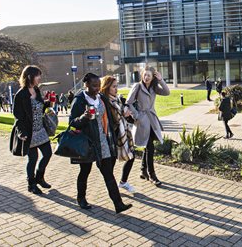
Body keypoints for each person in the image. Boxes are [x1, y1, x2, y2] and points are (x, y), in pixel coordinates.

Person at [69, 73, 132, 213]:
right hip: (88, 143)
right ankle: (81, 198)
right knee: (85, 171)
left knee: (108, 173)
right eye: (94, 85)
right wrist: (84, 117)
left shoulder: (101, 98)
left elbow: (110, 117)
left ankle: (118, 203)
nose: (97, 88)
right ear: (86, 85)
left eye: (98, 85)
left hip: (103, 142)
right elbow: (72, 123)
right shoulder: (79, 100)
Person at [127, 66, 170, 186]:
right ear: (142, 75)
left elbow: (167, 92)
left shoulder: (154, 88)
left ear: (153, 77)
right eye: (144, 75)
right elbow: (128, 102)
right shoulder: (138, 86)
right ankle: (152, 175)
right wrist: (137, 116)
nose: (146, 77)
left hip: (151, 119)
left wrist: (161, 80)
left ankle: (143, 170)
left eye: (149, 76)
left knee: (148, 145)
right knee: (150, 147)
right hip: (142, 120)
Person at [13, 65, 52, 195]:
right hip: (29, 132)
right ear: (29, 76)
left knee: (47, 153)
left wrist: (48, 103)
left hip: (40, 130)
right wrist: (21, 132)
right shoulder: (21, 94)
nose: (39, 78)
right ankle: (31, 184)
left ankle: (39, 177)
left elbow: (38, 107)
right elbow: (18, 115)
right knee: (33, 158)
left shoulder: (36, 89)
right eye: (37, 75)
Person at [100, 75, 135, 193]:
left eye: (117, 86)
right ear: (107, 87)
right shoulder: (105, 102)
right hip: (112, 137)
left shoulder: (117, 99)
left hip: (123, 134)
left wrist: (126, 113)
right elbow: (110, 121)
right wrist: (122, 115)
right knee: (111, 164)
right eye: (114, 87)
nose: (116, 89)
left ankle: (123, 182)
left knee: (131, 156)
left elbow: (121, 114)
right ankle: (112, 187)